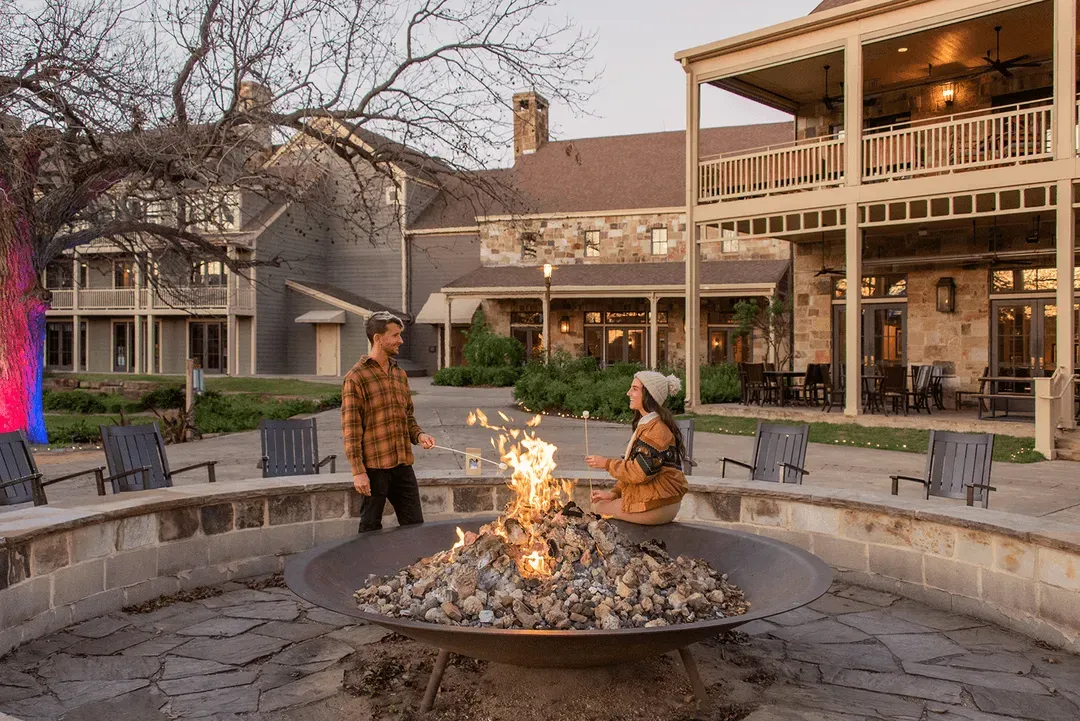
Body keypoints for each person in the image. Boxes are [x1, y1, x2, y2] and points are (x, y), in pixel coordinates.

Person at [342, 311, 436, 532]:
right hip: (375, 468)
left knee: (415, 527)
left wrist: (419, 435)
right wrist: (358, 471)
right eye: (395, 335)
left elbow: (407, 416)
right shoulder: (356, 377)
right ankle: (368, 557)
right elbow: (351, 429)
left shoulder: (399, 374)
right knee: (370, 528)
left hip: (403, 464)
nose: (400, 340)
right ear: (378, 338)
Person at [585, 371, 689, 525]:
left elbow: (639, 472)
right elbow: (635, 473)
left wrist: (606, 463)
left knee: (598, 507)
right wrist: (613, 494)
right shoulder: (648, 425)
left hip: (659, 504)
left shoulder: (657, 431)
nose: (628, 393)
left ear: (648, 395)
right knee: (600, 504)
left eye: (634, 389)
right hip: (655, 499)